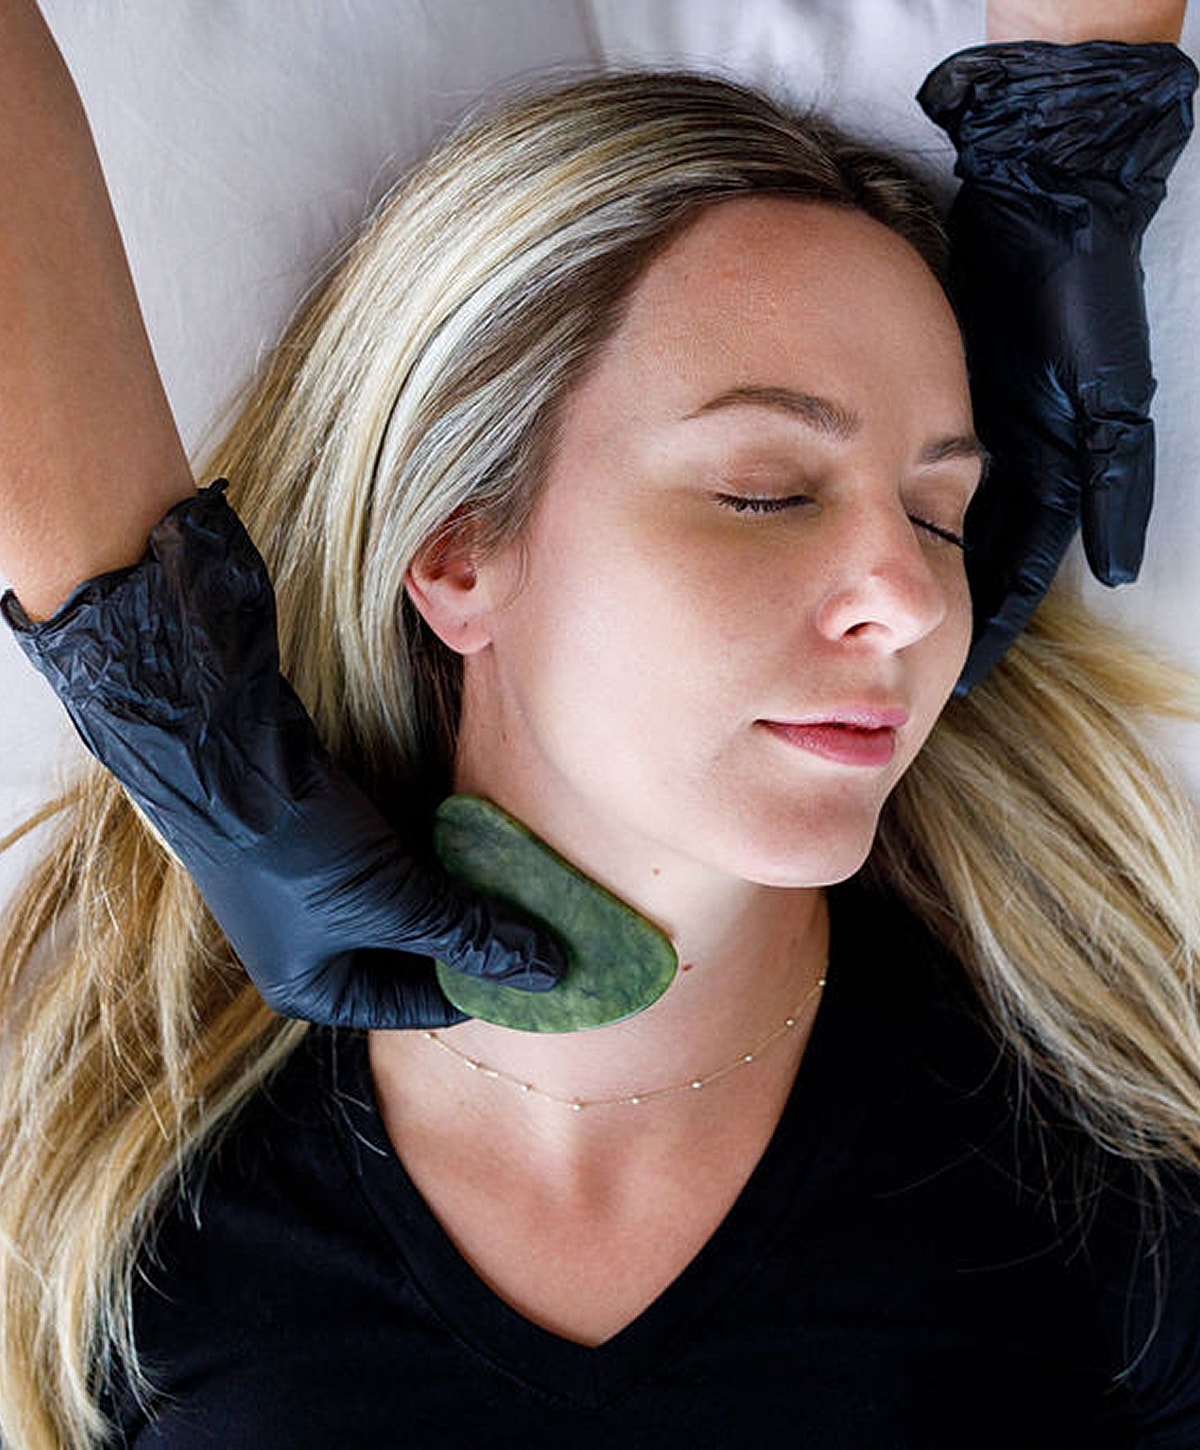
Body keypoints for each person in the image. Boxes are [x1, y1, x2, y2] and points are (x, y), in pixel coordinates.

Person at [1, 3, 1199, 1448]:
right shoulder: (114, 1227)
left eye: (944, 514)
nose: (907, 594)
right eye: (766, 489)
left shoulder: (1109, 1206)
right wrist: (139, 647)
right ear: (456, 551)